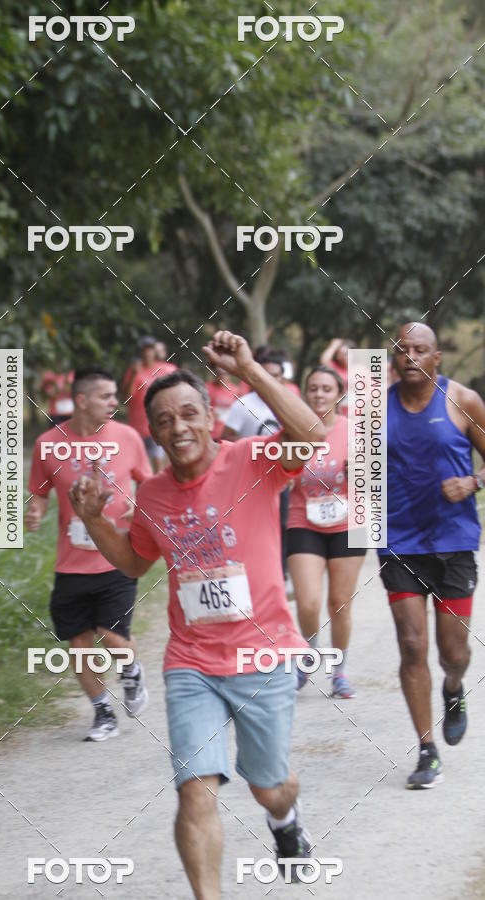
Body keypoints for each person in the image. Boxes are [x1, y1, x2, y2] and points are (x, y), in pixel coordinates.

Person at [68, 331, 328, 897]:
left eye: (189, 414)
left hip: (263, 655)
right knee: (194, 789)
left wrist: (249, 370)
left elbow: (312, 435)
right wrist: (94, 520)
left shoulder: (252, 459)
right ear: (154, 431)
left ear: (212, 417)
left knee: (269, 787)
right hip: (191, 663)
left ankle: (285, 819)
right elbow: (134, 562)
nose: (178, 427)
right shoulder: (154, 495)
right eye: (164, 420)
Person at [379, 323, 485, 789]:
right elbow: (359, 468)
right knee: (411, 644)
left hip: (453, 541)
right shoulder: (375, 408)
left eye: (420, 349)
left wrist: (474, 483)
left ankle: (453, 687)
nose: (410, 356)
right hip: (399, 542)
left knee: (453, 652)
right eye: (402, 349)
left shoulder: (463, 400)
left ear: (436, 357)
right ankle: (426, 751)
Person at [26, 368, 152, 741]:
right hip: (71, 565)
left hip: (116, 556)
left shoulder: (128, 437)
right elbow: (40, 492)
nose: (115, 402)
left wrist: (138, 507)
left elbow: (150, 484)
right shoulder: (48, 444)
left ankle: (132, 671)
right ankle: (103, 713)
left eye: (115, 395)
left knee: (111, 636)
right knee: (79, 645)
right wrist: (35, 511)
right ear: (81, 400)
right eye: (106, 396)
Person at [287, 366, 366, 699]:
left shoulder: (355, 431)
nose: (319, 394)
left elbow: (379, 480)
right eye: (314, 388)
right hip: (303, 520)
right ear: (306, 393)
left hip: (349, 524)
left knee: (339, 604)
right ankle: (308, 656)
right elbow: (277, 473)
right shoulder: (293, 429)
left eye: (326, 389)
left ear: (339, 395)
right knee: (308, 602)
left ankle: (340, 672)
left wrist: (361, 471)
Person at [222, 347, 300, 585]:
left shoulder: (289, 402)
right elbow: (226, 437)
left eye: (276, 375)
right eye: (266, 374)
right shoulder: (242, 405)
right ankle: (248, 573)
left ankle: (281, 574)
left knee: (282, 523)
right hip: (250, 476)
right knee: (249, 525)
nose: (271, 379)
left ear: (282, 377)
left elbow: (300, 436)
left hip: (281, 474)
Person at [124, 335, 177, 471]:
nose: (147, 353)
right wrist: (134, 374)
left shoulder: (167, 370)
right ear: (140, 352)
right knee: (139, 468)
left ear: (155, 351)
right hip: (138, 426)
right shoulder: (134, 370)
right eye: (144, 349)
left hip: (159, 423)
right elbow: (127, 399)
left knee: (158, 463)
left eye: (150, 349)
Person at [204, 366, 244, 440]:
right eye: (219, 374)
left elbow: (238, 410)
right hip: (211, 432)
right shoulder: (207, 388)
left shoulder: (235, 390)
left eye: (225, 374)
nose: (222, 376)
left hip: (227, 433)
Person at [320, 338, 355, 416]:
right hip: (337, 412)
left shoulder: (361, 370)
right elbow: (324, 361)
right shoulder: (335, 368)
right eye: (339, 353)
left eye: (346, 353)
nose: (342, 356)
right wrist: (333, 346)